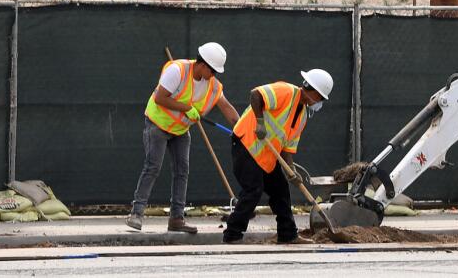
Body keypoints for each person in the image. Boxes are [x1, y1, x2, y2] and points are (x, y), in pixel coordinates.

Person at [127, 42, 240, 233]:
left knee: (182, 171)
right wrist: (187, 108)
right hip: (157, 124)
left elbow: (227, 108)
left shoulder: (212, 85)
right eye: (213, 71)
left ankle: (176, 219)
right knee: (153, 166)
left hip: (180, 130)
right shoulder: (177, 70)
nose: (214, 75)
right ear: (202, 64)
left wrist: (241, 131)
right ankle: (136, 214)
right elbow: (160, 98)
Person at [223, 69, 333, 245]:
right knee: (253, 190)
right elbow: (256, 94)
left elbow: (288, 148)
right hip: (246, 145)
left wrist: (291, 171)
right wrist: (259, 122)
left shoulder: (303, 115)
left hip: (266, 156)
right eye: (320, 98)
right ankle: (232, 235)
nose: (319, 103)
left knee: (281, 191)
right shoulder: (286, 91)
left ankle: (288, 234)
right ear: (314, 92)